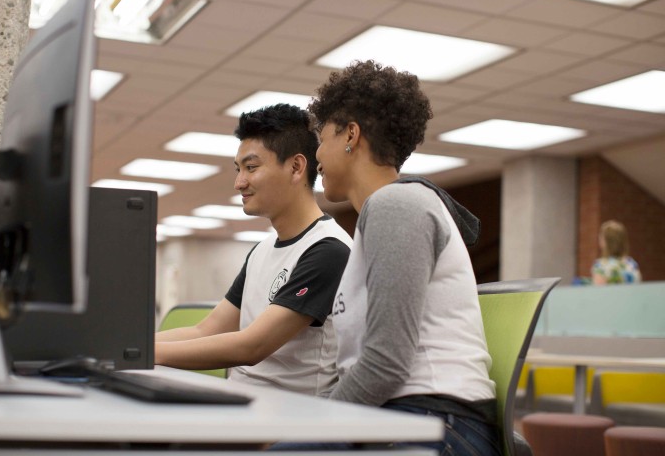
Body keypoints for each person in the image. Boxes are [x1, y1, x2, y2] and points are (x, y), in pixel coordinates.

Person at [278, 60, 500, 455]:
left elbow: (385, 363)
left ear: (351, 134)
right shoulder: (378, 217)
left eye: (321, 137)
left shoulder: (397, 207)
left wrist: (314, 423)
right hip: (401, 417)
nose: (317, 154)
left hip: (437, 423)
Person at [155, 104, 352, 396]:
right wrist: (131, 347)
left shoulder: (328, 250)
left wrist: (142, 355)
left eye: (251, 167)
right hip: (244, 406)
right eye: (239, 169)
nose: (239, 182)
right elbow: (206, 330)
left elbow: (252, 346)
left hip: (291, 420)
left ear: (296, 167)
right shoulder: (262, 250)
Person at [591, 220, 641, 285]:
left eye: (601, 238)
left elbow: (599, 292)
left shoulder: (600, 266)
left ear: (605, 242)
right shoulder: (632, 264)